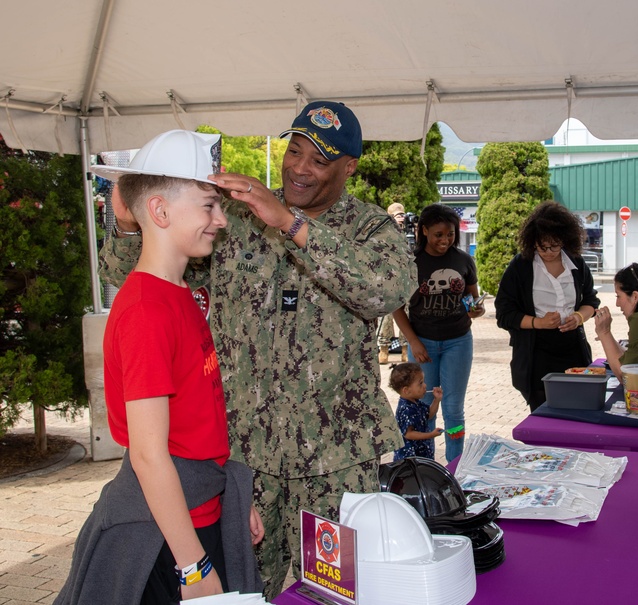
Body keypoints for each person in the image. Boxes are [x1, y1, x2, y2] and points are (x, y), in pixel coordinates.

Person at [100, 102, 416, 599]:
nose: (299, 167)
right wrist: (125, 222)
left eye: (318, 159)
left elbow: (387, 290)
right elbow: (134, 273)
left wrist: (290, 222)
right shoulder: (236, 222)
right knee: (244, 590)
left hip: (334, 459)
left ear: (349, 166)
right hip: (245, 459)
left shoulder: (370, 229)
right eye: (295, 151)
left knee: (337, 593)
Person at [59, 131, 263, 604]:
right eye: (209, 205)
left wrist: (226, 499)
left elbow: (193, 426)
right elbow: (150, 454)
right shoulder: (148, 310)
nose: (221, 221)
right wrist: (193, 566)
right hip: (168, 537)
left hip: (197, 511)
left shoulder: (179, 295)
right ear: (160, 211)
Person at [393, 203, 485, 461]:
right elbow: (396, 307)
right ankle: (423, 466)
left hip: (458, 342)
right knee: (422, 408)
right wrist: (414, 342)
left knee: (454, 409)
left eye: (451, 234)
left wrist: (476, 310)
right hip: (423, 344)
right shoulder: (411, 262)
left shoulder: (464, 261)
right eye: (438, 234)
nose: (445, 240)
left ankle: (455, 465)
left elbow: (472, 299)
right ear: (424, 231)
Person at [494, 201, 601, 410]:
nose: (549, 251)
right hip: (536, 356)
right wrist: (538, 323)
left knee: (578, 412)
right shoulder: (521, 266)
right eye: (542, 247)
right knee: (543, 413)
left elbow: (591, 301)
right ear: (532, 241)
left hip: (574, 352)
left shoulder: (577, 263)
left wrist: (579, 317)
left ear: (566, 239)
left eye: (555, 245)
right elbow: (504, 314)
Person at [389, 362, 444, 460]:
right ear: (406, 390)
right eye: (420, 383)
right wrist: (430, 435)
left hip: (421, 456)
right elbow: (409, 434)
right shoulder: (406, 409)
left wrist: (437, 400)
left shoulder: (416, 402)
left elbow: (429, 414)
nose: (425, 385)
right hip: (410, 460)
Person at [378, 202, 409, 364]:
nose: (400, 217)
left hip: (407, 281)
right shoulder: (383, 232)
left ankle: (405, 349)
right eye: (396, 215)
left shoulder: (410, 232)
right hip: (389, 280)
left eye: (401, 214)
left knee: (408, 315)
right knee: (387, 316)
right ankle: (384, 348)